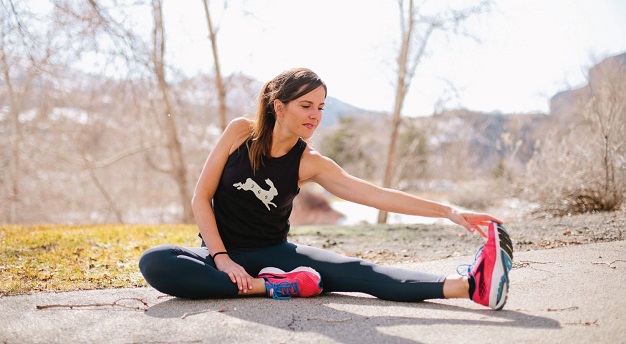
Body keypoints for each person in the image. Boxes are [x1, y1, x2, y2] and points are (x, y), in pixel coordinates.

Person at [139, 68, 514, 310]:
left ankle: (472, 286)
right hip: (218, 255)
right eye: (306, 105)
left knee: (362, 272)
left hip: (275, 253)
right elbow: (200, 197)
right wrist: (222, 258)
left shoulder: (310, 162)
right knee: (155, 261)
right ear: (278, 107)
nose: (315, 116)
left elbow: (375, 194)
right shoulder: (240, 132)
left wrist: (447, 211)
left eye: (320, 107)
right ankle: (269, 288)